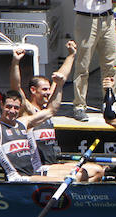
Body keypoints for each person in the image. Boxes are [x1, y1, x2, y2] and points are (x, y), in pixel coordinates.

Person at [9, 41, 106, 181]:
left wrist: (71, 55)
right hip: (40, 168)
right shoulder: (28, 110)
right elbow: (15, 87)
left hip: (53, 164)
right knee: (81, 174)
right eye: (44, 90)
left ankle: (81, 197)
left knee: (97, 171)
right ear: (33, 90)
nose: (48, 93)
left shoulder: (47, 108)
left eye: (49, 89)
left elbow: (61, 77)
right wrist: (16, 62)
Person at [0, 75, 75, 182]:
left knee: (78, 173)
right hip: (17, 179)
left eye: (16, 108)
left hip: (34, 173)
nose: (12, 111)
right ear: (1, 105)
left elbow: (51, 110)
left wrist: (59, 86)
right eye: (9, 107)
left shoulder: (24, 122)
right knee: (63, 181)